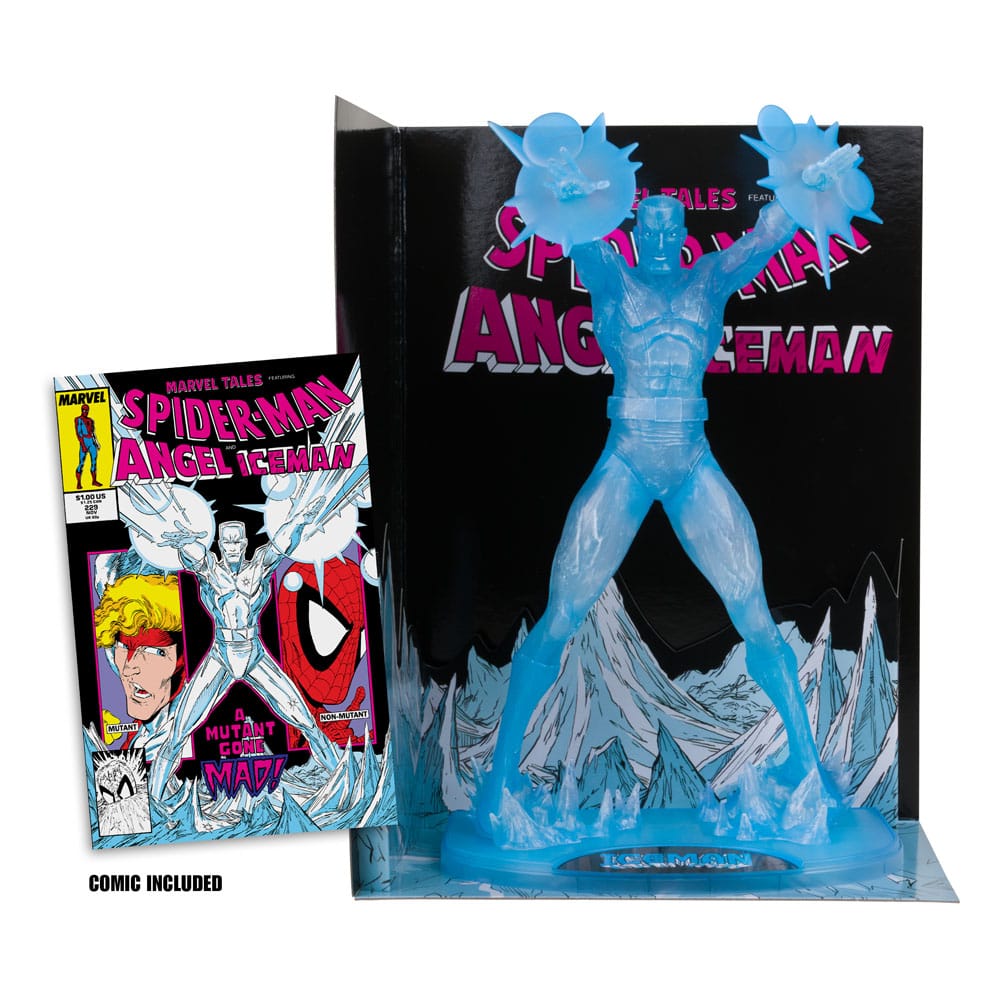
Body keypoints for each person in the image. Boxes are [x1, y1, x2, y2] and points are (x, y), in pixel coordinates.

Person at [479, 115, 862, 830]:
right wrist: (564, 189)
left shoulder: (708, 280)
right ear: (635, 232)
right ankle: (498, 780)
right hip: (626, 459)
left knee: (754, 612)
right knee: (561, 614)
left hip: (689, 460)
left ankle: (807, 768)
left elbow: (764, 240)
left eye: (668, 228)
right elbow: (575, 230)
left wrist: (804, 188)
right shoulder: (611, 275)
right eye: (647, 227)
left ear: (682, 234)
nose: (658, 237)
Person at [147, 508, 341, 797]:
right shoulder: (210, 569)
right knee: (179, 731)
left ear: (246, 542)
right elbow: (193, 555)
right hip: (221, 654)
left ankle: (346, 781)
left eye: (237, 541)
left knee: (306, 722)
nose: (233, 546)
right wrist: (182, 539)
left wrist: (300, 519)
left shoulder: (258, 566)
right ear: (220, 544)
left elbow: (280, 544)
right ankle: (152, 799)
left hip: (254, 653)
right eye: (227, 541)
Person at [93, 573, 185, 750]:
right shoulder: (138, 736)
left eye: (153, 651)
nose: (128, 668)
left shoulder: (183, 737)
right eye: (123, 646)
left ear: (181, 660)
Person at [74, 402, 102, 489]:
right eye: (84, 410)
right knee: (81, 463)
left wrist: (96, 443)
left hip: (91, 442)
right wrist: (83, 445)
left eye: (87, 410)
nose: (85, 412)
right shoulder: (78, 419)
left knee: (94, 462)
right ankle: (78, 483)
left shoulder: (91, 420)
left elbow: (93, 433)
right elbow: (78, 433)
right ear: (81, 410)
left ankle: (94, 481)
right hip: (84, 441)